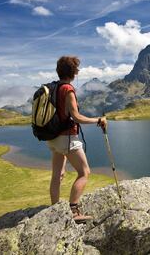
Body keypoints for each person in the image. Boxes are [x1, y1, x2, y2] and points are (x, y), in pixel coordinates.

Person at [46, 55, 107, 222]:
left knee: (57, 174)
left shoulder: (53, 88)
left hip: (52, 138)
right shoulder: (67, 89)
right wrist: (98, 120)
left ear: (59, 71)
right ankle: (74, 211)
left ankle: (54, 209)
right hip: (67, 138)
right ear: (74, 72)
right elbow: (77, 117)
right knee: (84, 172)